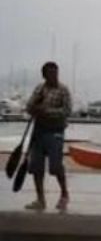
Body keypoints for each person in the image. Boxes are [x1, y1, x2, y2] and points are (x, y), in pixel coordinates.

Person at [24, 61, 71, 211]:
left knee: (55, 166)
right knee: (36, 167)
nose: (54, 76)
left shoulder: (63, 90)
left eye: (56, 73)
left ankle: (64, 195)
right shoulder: (40, 89)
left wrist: (46, 112)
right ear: (45, 75)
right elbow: (29, 107)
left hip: (55, 132)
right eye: (51, 74)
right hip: (39, 132)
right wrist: (35, 107)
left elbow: (67, 111)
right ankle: (40, 199)